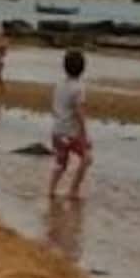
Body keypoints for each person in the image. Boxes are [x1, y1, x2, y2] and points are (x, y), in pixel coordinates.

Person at [48, 51, 92, 199]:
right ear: (83, 68)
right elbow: (80, 113)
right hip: (71, 133)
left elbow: (54, 107)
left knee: (60, 163)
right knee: (87, 158)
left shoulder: (59, 85)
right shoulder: (79, 88)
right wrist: (85, 135)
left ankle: (51, 190)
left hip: (57, 131)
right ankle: (73, 190)